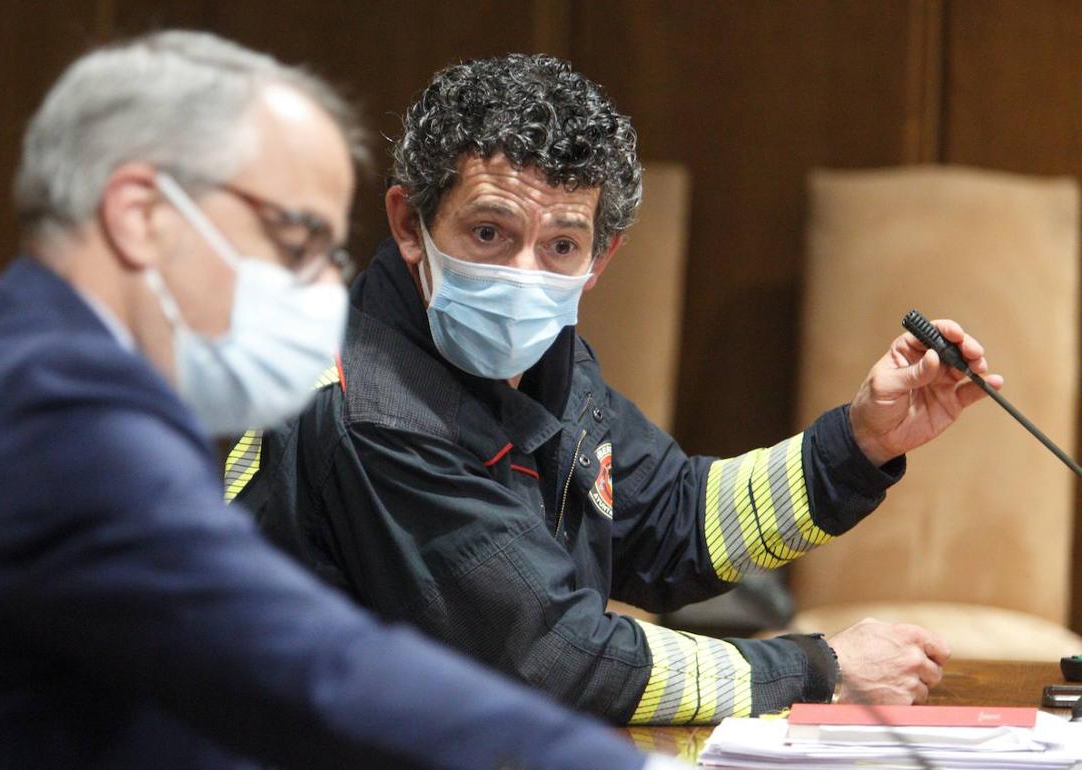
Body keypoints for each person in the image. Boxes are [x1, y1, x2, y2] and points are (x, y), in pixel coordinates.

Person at [0, 32, 673, 770]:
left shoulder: (37, 356)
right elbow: (306, 668)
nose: (320, 283)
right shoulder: (52, 408)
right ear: (141, 216)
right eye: (294, 239)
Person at [231, 53, 1001, 726]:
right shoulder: (372, 404)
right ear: (410, 222)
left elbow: (673, 522)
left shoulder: (544, 356)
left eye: (562, 245)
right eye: (489, 233)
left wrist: (862, 441)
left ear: (601, 258)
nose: (524, 276)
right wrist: (819, 672)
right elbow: (551, 658)